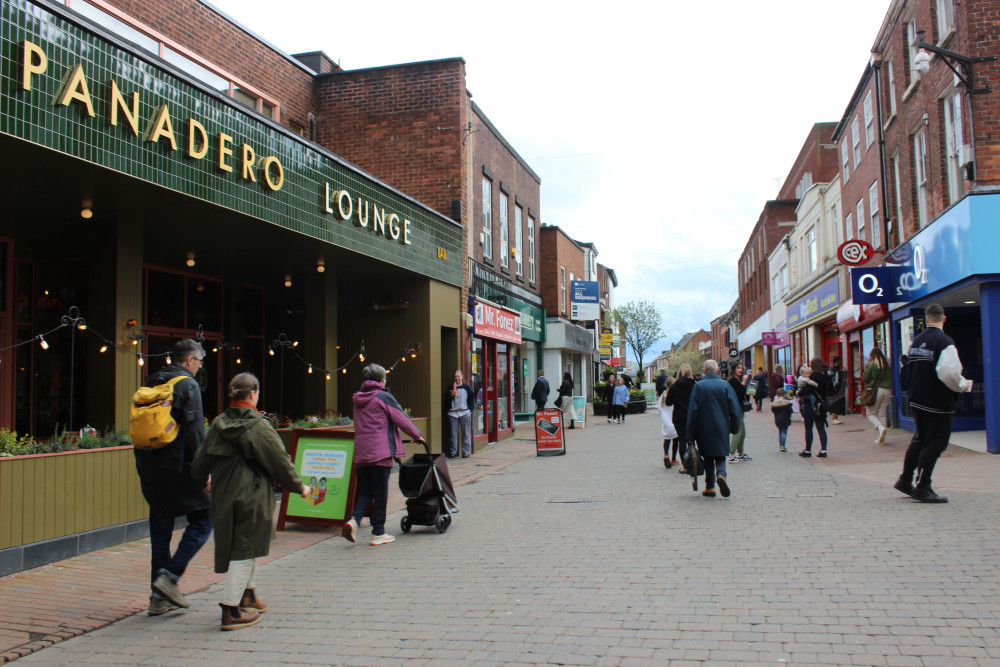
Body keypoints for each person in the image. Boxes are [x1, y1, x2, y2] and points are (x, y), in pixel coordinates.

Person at [191, 373, 311, 631]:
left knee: (247, 543)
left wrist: (203, 482)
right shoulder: (258, 425)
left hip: (223, 496)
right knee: (244, 550)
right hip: (252, 495)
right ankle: (231, 610)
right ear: (254, 392)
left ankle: (248, 595)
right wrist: (299, 487)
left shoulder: (218, 425)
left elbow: (199, 463)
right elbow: (279, 461)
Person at [133, 338, 212, 617]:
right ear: (189, 360)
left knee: (161, 527)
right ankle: (170, 577)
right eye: (200, 361)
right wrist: (203, 471)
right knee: (204, 519)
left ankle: (158, 599)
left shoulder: (151, 382)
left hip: (148, 465)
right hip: (177, 466)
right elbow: (194, 432)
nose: (200, 367)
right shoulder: (188, 385)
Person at [895, 303, 973, 503]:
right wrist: (963, 385)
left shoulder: (917, 342)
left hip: (917, 399)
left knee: (920, 439)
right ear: (943, 318)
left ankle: (905, 479)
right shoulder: (944, 342)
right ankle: (923, 485)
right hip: (937, 401)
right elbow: (950, 373)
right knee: (935, 443)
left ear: (927, 318)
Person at [345, 364, 426, 545]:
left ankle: (354, 520)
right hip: (380, 453)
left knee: (366, 492)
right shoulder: (383, 397)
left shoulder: (357, 398)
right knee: (380, 493)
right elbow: (402, 419)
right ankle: (378, 533)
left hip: (361, 453)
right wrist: (418, 436)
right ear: (380, 380)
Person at [686, 360, 741, 498]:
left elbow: (693, 411)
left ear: (704, 371)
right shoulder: (725, 385)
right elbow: (735, 410)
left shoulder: (698, 386)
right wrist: (734, 427)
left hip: (703, 427)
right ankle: (721, 474)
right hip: (722, 425)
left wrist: (690, 433)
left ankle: (709, 486)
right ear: (717, 370)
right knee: (720, 455)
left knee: (708, 456)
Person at [796, 358, 830, 457]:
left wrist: (799, 393)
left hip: (810, 405)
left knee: (808, 427)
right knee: (821, 427)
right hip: (822, 404)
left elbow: (808, 389)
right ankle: (823, 450)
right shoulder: (825, 375)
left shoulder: (814, 375)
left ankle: (808, 450)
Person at [665, 364, 696, 472]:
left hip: (678, 416)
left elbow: (668, 403)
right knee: (691, 440)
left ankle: (685, 465)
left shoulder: (674, 386)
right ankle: (694, 462)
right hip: (692, 416)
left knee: (681, 440)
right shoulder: (695, 385)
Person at [863, 347, 893, 444]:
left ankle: (880, 428)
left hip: (876, 390)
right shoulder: (887, 364)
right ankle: (882, 437)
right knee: (882, 414)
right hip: (887, 390)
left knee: (871, 413)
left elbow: (865, 378)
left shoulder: (872, 364)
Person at [445, 370, 474, 458]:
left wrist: (470, 410)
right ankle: (453, 452)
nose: (457, 378)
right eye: (455, 377)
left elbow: (471, 399)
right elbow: (446, 400)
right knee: (453, 434)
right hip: (453, 413)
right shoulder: (451, 388)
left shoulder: (467, 388)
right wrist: (451, 396)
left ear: (462, 377)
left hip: (464, 412)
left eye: (458, 376)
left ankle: (466, 452)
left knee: (466, 433)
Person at [727, 363, 751, 463]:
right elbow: (737, 393)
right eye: (738, 368)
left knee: (743, 432)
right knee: (738, 431)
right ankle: (732, 455)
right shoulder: (732, 380)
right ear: (734, 369)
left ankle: (740, 453)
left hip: (740, 407)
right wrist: (744, 382)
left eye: (742, 368)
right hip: (735, 408)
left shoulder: (739, 380)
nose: (740, 370)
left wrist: (748, 393)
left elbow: (743, 395)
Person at [657, 376, 679, 466]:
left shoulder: (663, 395)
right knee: (675, 439)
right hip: (674, 419)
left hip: (666, 421)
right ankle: (673, 458)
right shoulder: (675, 394)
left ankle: (666, 454)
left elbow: (659, 407)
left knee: (667, 439)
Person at [826, 356, 847, 424]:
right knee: (835, 402)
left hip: (836, 388)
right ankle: (834, 418)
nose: (840, 362)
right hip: (834, 389)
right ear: (837, 361)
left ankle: (835, 417)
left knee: (837, 401)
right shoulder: (832, 369)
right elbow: (832, 379)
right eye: (839, 361)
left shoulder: (835, 368)